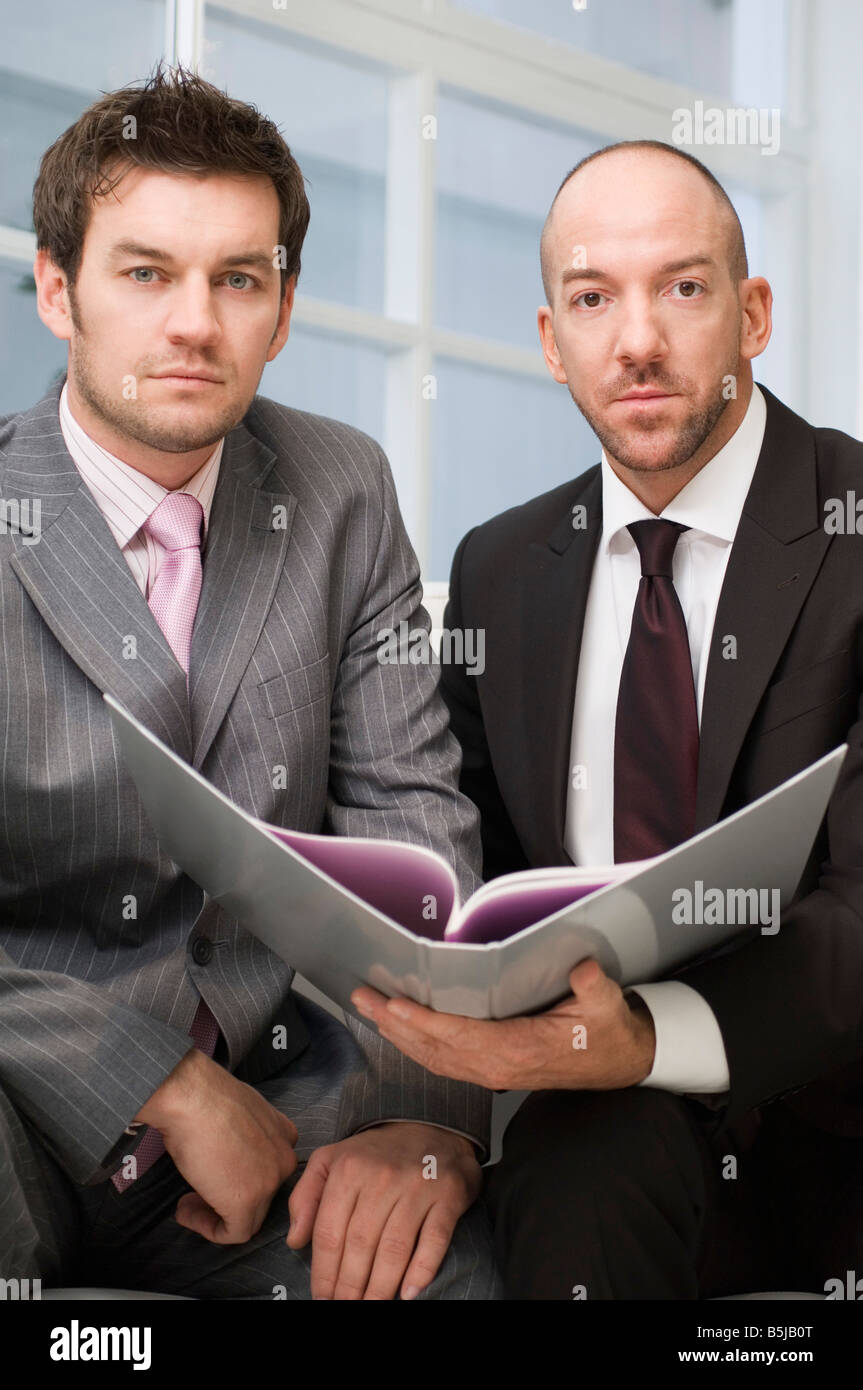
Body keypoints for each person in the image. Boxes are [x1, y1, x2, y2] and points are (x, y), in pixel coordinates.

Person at [0, 64, 501, 1302]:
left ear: (281, 312)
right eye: (145, 272)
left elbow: (414, 835)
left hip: (290, 1101)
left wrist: (421, 1119)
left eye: (239, 278)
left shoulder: (340, 486)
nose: (195, 322)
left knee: (453, 1285)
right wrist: (153, 1079)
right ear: (57, 289)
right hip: (22, 1094)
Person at [353, 140, 863, 1300]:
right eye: (592, 298)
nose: (636, 341)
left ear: (752, 313)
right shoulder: (498, 567)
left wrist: (644, 1036)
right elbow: (463, 865)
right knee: (572, 1177)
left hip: (835, 1098)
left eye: (681, 288)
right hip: (600, 1113)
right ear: (551, 340)